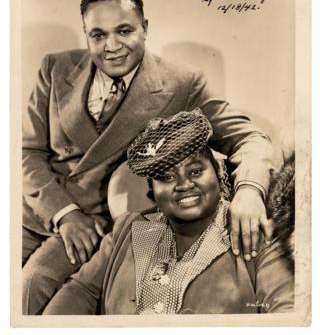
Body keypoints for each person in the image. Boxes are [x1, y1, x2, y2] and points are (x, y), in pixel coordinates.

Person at [22, 0, 274, 314]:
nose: (111, 47)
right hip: (37, 210)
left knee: (28, 285)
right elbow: (27, 153)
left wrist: (250, 192)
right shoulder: (55, 68)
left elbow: (249, 139)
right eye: (97, 35)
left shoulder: (182, 83)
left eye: (124, 31)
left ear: (145, 28)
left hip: (100, 225)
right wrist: (64, 213)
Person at [43, 109, 293, 315]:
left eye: (195, 171)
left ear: (219, 175)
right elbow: (79, 291)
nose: (184, 185)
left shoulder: (253, 232)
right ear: (152, 193)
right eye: (167, 177)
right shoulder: (127, 229)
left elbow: (287, 310)